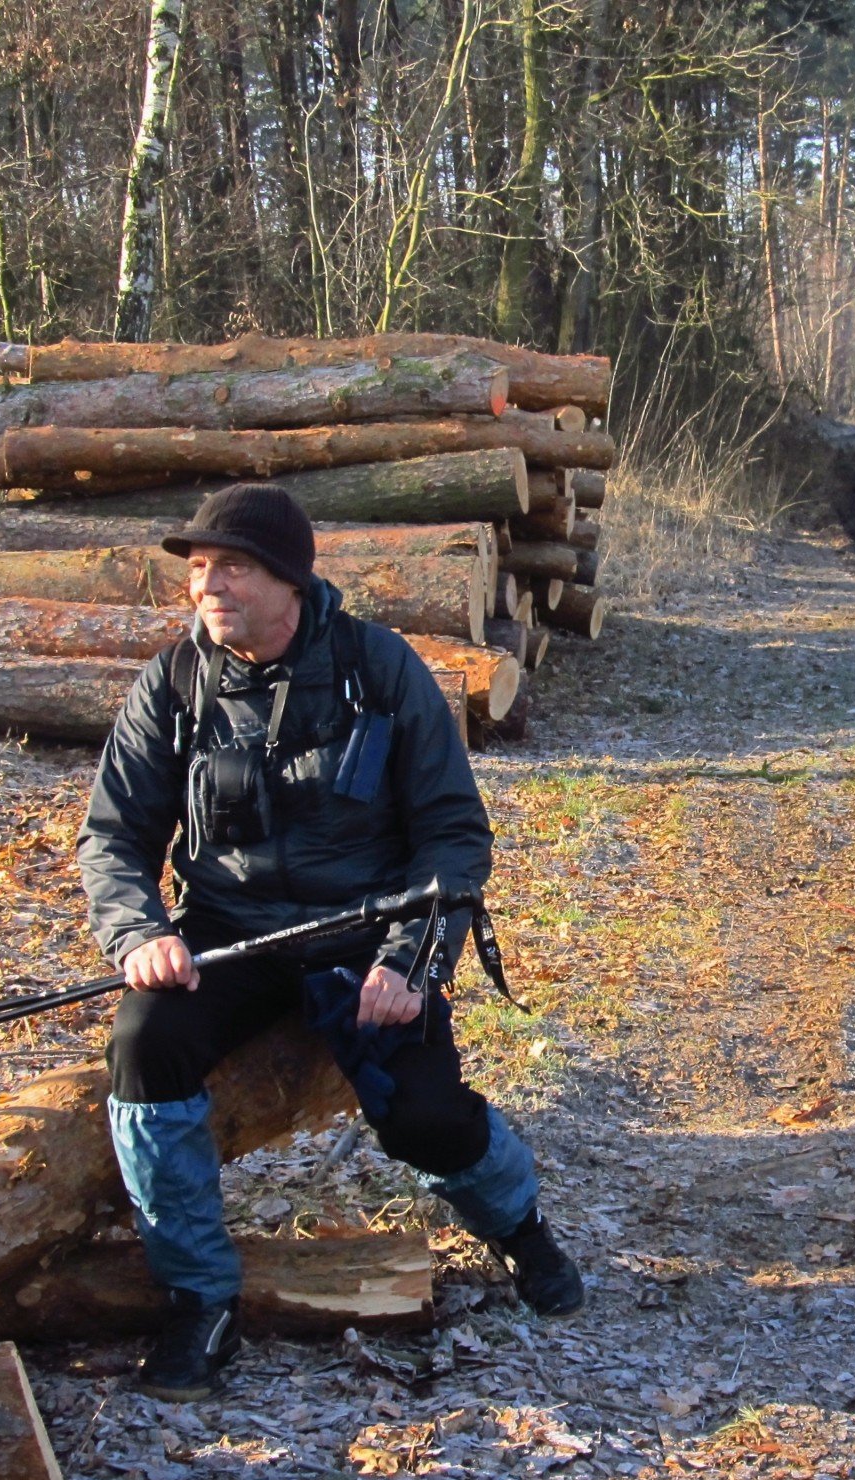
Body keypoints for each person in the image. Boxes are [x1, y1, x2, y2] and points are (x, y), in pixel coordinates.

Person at [78, 483, 584, 1401]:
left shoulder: (379, 668)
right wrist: (139, 934)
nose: (207, 585)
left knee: (425, 1117)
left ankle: (522, 1232)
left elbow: (453, 838)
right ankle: (199, 1298)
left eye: (232, 567)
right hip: (226, 939)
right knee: (143, 1049)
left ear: (290, 580)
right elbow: (113, 837)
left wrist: (409, 958)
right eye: (198, 568)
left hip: (365, 938)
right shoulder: (174, 682)